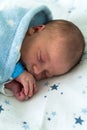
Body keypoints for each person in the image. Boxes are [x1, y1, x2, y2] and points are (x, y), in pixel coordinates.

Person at [4, 19, 85, 101]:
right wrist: (18, 72)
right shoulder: (8, 28)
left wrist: (11, 84)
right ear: (35, 30)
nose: (37, 71)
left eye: (45, 73)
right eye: (40, 59)